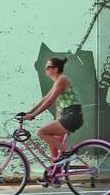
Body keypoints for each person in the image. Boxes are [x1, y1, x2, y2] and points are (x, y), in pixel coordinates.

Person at [25, 56, 83, 186]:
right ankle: (54, 177)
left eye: (48, 67)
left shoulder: (62, 79)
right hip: (67, 116)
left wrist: (33, 114)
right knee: (53, 145)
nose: (45, 69)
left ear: (55, 69)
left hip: (72, 116)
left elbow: (50, 101)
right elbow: (45, 98)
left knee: (42, 133)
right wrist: (28, 112)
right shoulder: (57, 81)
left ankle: (69, 152)